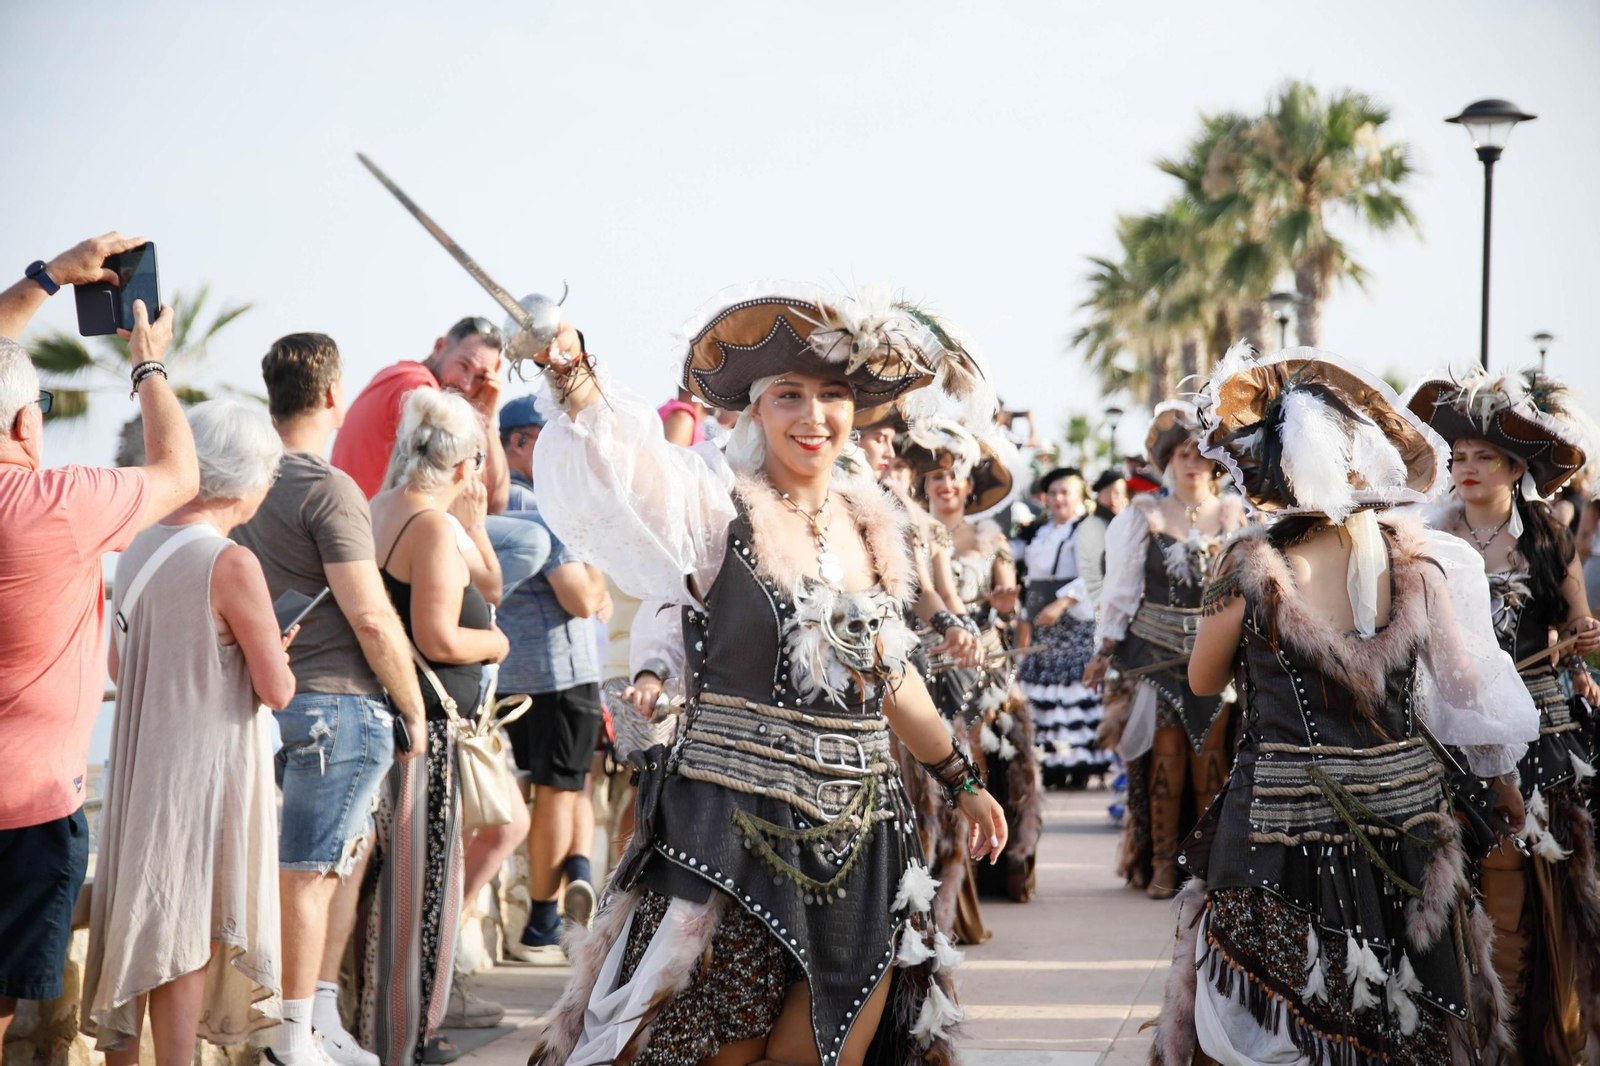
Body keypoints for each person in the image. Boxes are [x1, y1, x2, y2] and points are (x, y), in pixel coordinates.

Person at [523, 283, 1006, 1066]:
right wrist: (577, 380)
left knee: (825, 1049)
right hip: (731, 832)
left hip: (861, 834)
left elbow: (895, 682)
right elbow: (633, 477)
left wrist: (961, 779)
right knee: (716, 1049)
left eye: (833, 396)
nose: (813, 417)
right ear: (754, 411)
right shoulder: (717, 510)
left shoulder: (874, 530)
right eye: (789, 396)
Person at [1148, 345, 1538, 1066]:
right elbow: (1462, 692)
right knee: (1396, 1015)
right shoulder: (1414, 560)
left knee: (1280, 1022)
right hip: (1405, 820)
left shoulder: (1248, 564)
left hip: (1278, 826)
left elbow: (1204, 680)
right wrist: (1503, 782)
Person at [0, 233, 197, 1039]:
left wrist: (45, 280)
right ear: (24, 417)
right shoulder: (55, 503)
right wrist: (148, 364)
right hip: (28, 803)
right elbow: (181, 476)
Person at [231, 333, 429, 1066]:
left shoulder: (243, 487)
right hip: (338, 706)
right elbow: (372, 615)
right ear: (333, 395)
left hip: (268, 703)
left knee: (333, 861)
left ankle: (317, 1018)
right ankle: (292, 1036)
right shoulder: (328, 487)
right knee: (312, 874)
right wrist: (412, 709)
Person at [83, 400, 292, 1066]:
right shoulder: (233, 564)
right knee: (187, 935)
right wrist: (274, 649)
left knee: (144, 925)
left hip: (143, 761)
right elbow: (277, 688)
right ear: (247, 480)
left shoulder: (140, 544)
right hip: (205, 768)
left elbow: (121, 661)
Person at [1407, 367, 1600, 1063]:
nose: (1466, 468)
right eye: (1458, 457)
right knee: (1451, 888)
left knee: (1519, 882)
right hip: (1445, 734)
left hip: (1537, 732)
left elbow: (1578, 623)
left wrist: (1582, 643)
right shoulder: (1427, 536)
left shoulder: (1548, 536)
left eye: (1483, 457)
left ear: (1516, 469)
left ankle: (1513, 1040)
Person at [355, 390, 510, 1066]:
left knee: (390, 888)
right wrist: (497, 648)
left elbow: (493, 582)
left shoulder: (383, 509)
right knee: (421, 890)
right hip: (426, 735)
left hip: (386, 720)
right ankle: (405, 1037)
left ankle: (392, 1029)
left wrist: (471, 523)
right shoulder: (431, 530)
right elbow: (440, 637)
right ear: (465, 464)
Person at [1085, 402, 1245, 899]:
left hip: (1218, 659)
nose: (1191, 461)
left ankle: (1209, 866)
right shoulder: (1143, 514)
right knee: (1167, 757)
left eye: (1200, 452)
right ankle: (1160, 863)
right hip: (1155, 654)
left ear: (1216, 462)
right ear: (1167, 460)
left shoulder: (1238, 516)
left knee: (1212, 760)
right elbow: (1121, 588)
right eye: (1181, 453)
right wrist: (1105, 648)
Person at [901, 417, 1043, 905]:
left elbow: (1005, 591)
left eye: (953, 476)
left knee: (978, 746)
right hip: (925, 655)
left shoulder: (989, 537)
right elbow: (929, 594)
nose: (944, 484)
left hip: (981, 656)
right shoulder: (915, 533)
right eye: (935, 477)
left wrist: (1001, 606)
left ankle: (981, 867)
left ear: (969, 485)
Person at [495, 393, 611, 965]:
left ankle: (579, 875)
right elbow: (583, 598)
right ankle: (542, 925)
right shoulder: (542, 507)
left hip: (517, 673)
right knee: (561, 795)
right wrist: (596, 575)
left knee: (568, 789)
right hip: (559, 674)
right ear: (522, 442)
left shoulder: (506, 500)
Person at [329, 316, 547, 601]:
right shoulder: (419, 390)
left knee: (540, 523)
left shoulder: (398, 376)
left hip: (379, 523)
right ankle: (459, 618)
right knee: (532, 540)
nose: (468, 384)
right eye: (463, 366)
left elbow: (493, 501)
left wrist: (488, 415)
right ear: (440, 347)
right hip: (377, 531)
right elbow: (482, 500)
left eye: (480, 376)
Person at [1016, 468, 1109, 791]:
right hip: (1042, 621)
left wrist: (1062, 603)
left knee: (1072, 686)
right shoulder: (1040, 531)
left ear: (1079, 496)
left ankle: (1078, 764)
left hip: (1074, 621)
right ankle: (1052, 764)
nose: (1057, 499)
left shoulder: (1088, 528)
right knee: (1044, 687)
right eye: (1052, 493)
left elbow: (1096, 573)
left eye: (1064, 492)